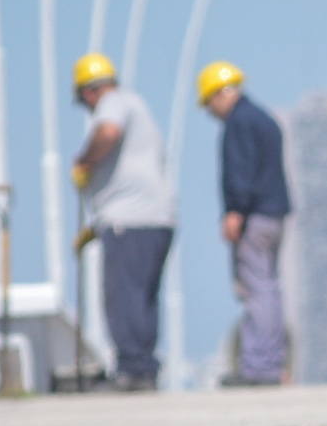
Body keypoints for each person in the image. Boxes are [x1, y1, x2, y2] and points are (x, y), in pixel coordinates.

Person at [70, 52, 177, 391]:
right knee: (142, 298)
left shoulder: (113, 102)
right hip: (156, 218)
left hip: (129, 221)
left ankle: (131, 369)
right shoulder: (138, 106)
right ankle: (143, 368)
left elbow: (108, 133)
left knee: (123, 297)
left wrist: (83, 162)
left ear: (89, 92)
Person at [197, 60, 292, 386]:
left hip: (254, 216)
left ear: (219, 94)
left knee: (256, 291)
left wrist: (235, 211)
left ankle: (259, 368)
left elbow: (241, 170)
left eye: (208, 103)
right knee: (269, 289)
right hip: (274, 216)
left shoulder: (238, 123)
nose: (210, 112)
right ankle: (271, 362)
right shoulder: (265, 119)